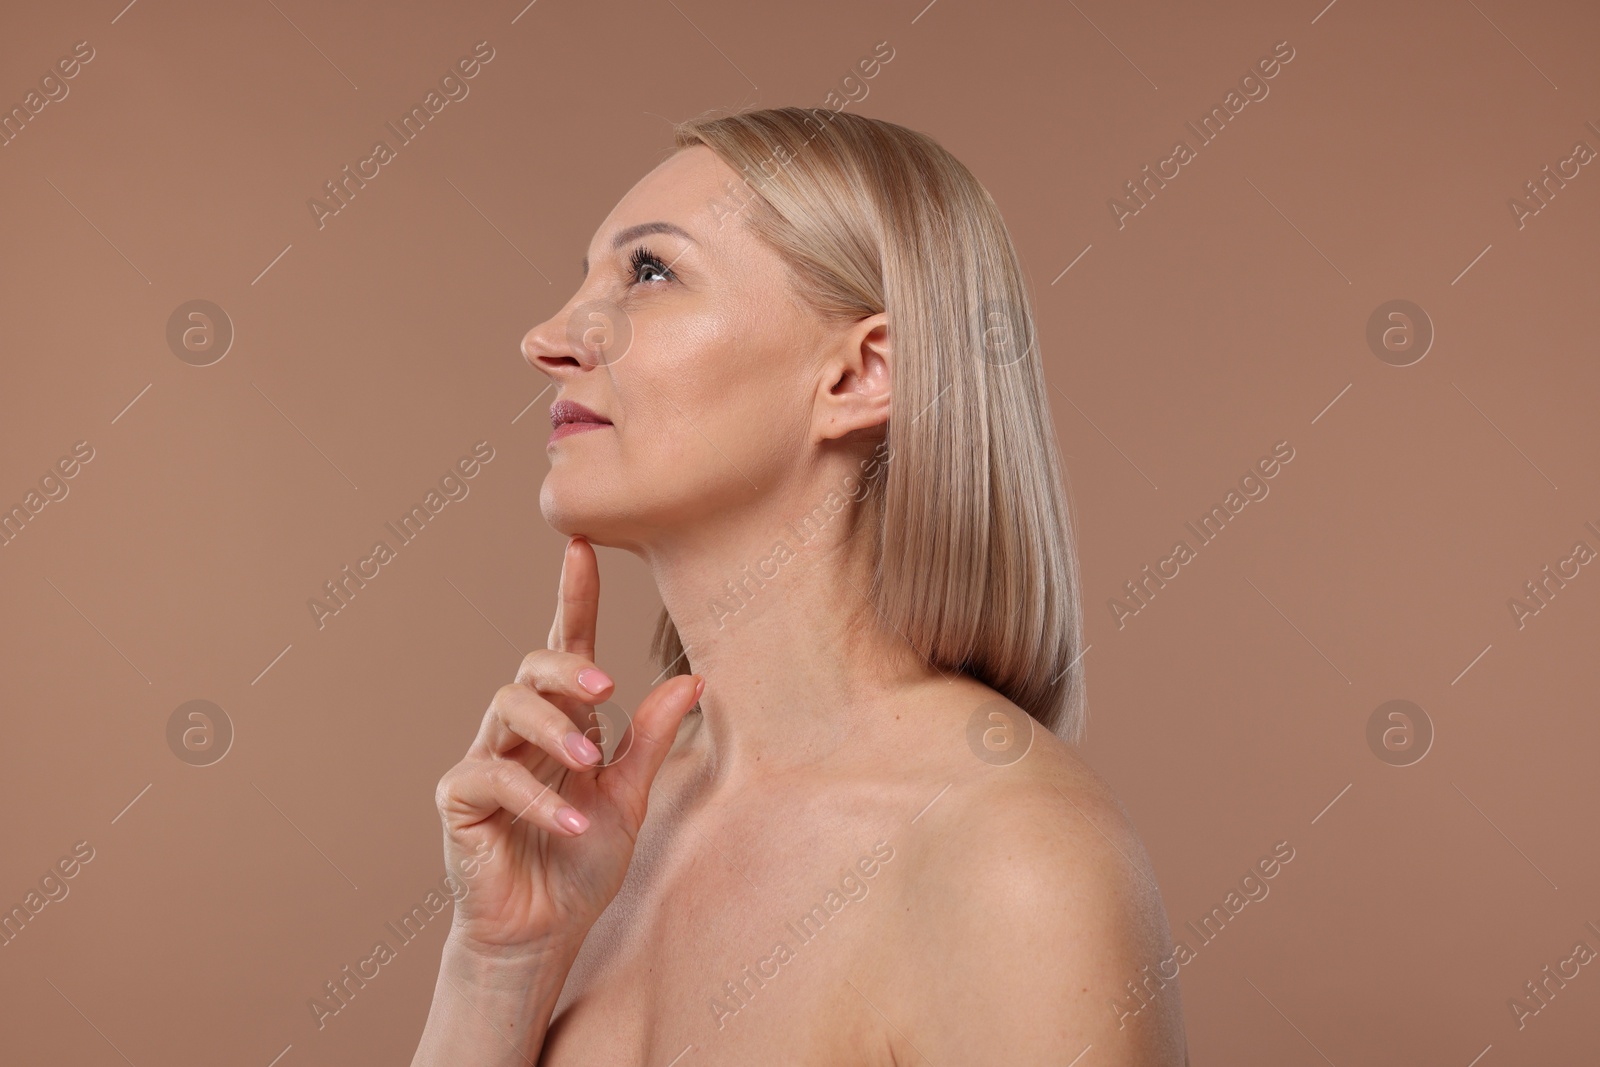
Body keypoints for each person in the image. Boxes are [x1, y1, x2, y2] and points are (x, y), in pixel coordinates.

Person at [411, 107, 1187, 1065]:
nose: (547, 338)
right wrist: (497, 964)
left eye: (648, 272)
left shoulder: (1013, 863)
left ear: (860, 374)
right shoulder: (595, 838)